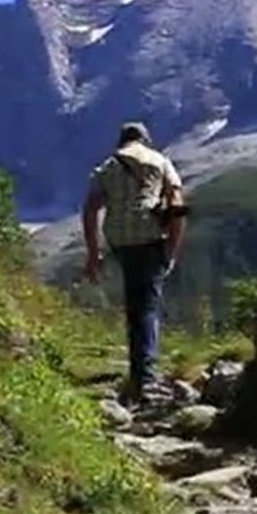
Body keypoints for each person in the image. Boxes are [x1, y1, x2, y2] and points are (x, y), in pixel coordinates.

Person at [82, 122, 188, 405]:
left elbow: (91, 209)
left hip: (120, 239)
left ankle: (138, 369)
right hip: (151, 236)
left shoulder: (107, 167)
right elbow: (177, 203)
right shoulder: (160, 162)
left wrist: (94, 253)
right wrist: (172, 249)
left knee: (135, 300)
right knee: (148, 304)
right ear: (146, 139)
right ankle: (147, 377)